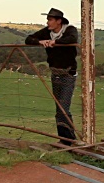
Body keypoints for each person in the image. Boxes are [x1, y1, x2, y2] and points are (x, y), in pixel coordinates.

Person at [25, 8, 78, 145]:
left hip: (68, 74)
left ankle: (67, 140)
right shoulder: (46, 32)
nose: (47, 22)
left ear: (58, 21)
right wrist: (40, 42)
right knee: (59, 108)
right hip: (55, 74)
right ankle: (68, 138)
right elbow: (28, 39)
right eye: (47, 19)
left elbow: (71, 39)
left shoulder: (69, 30)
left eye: (50, 19)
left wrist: (54, 42)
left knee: (63, 108)